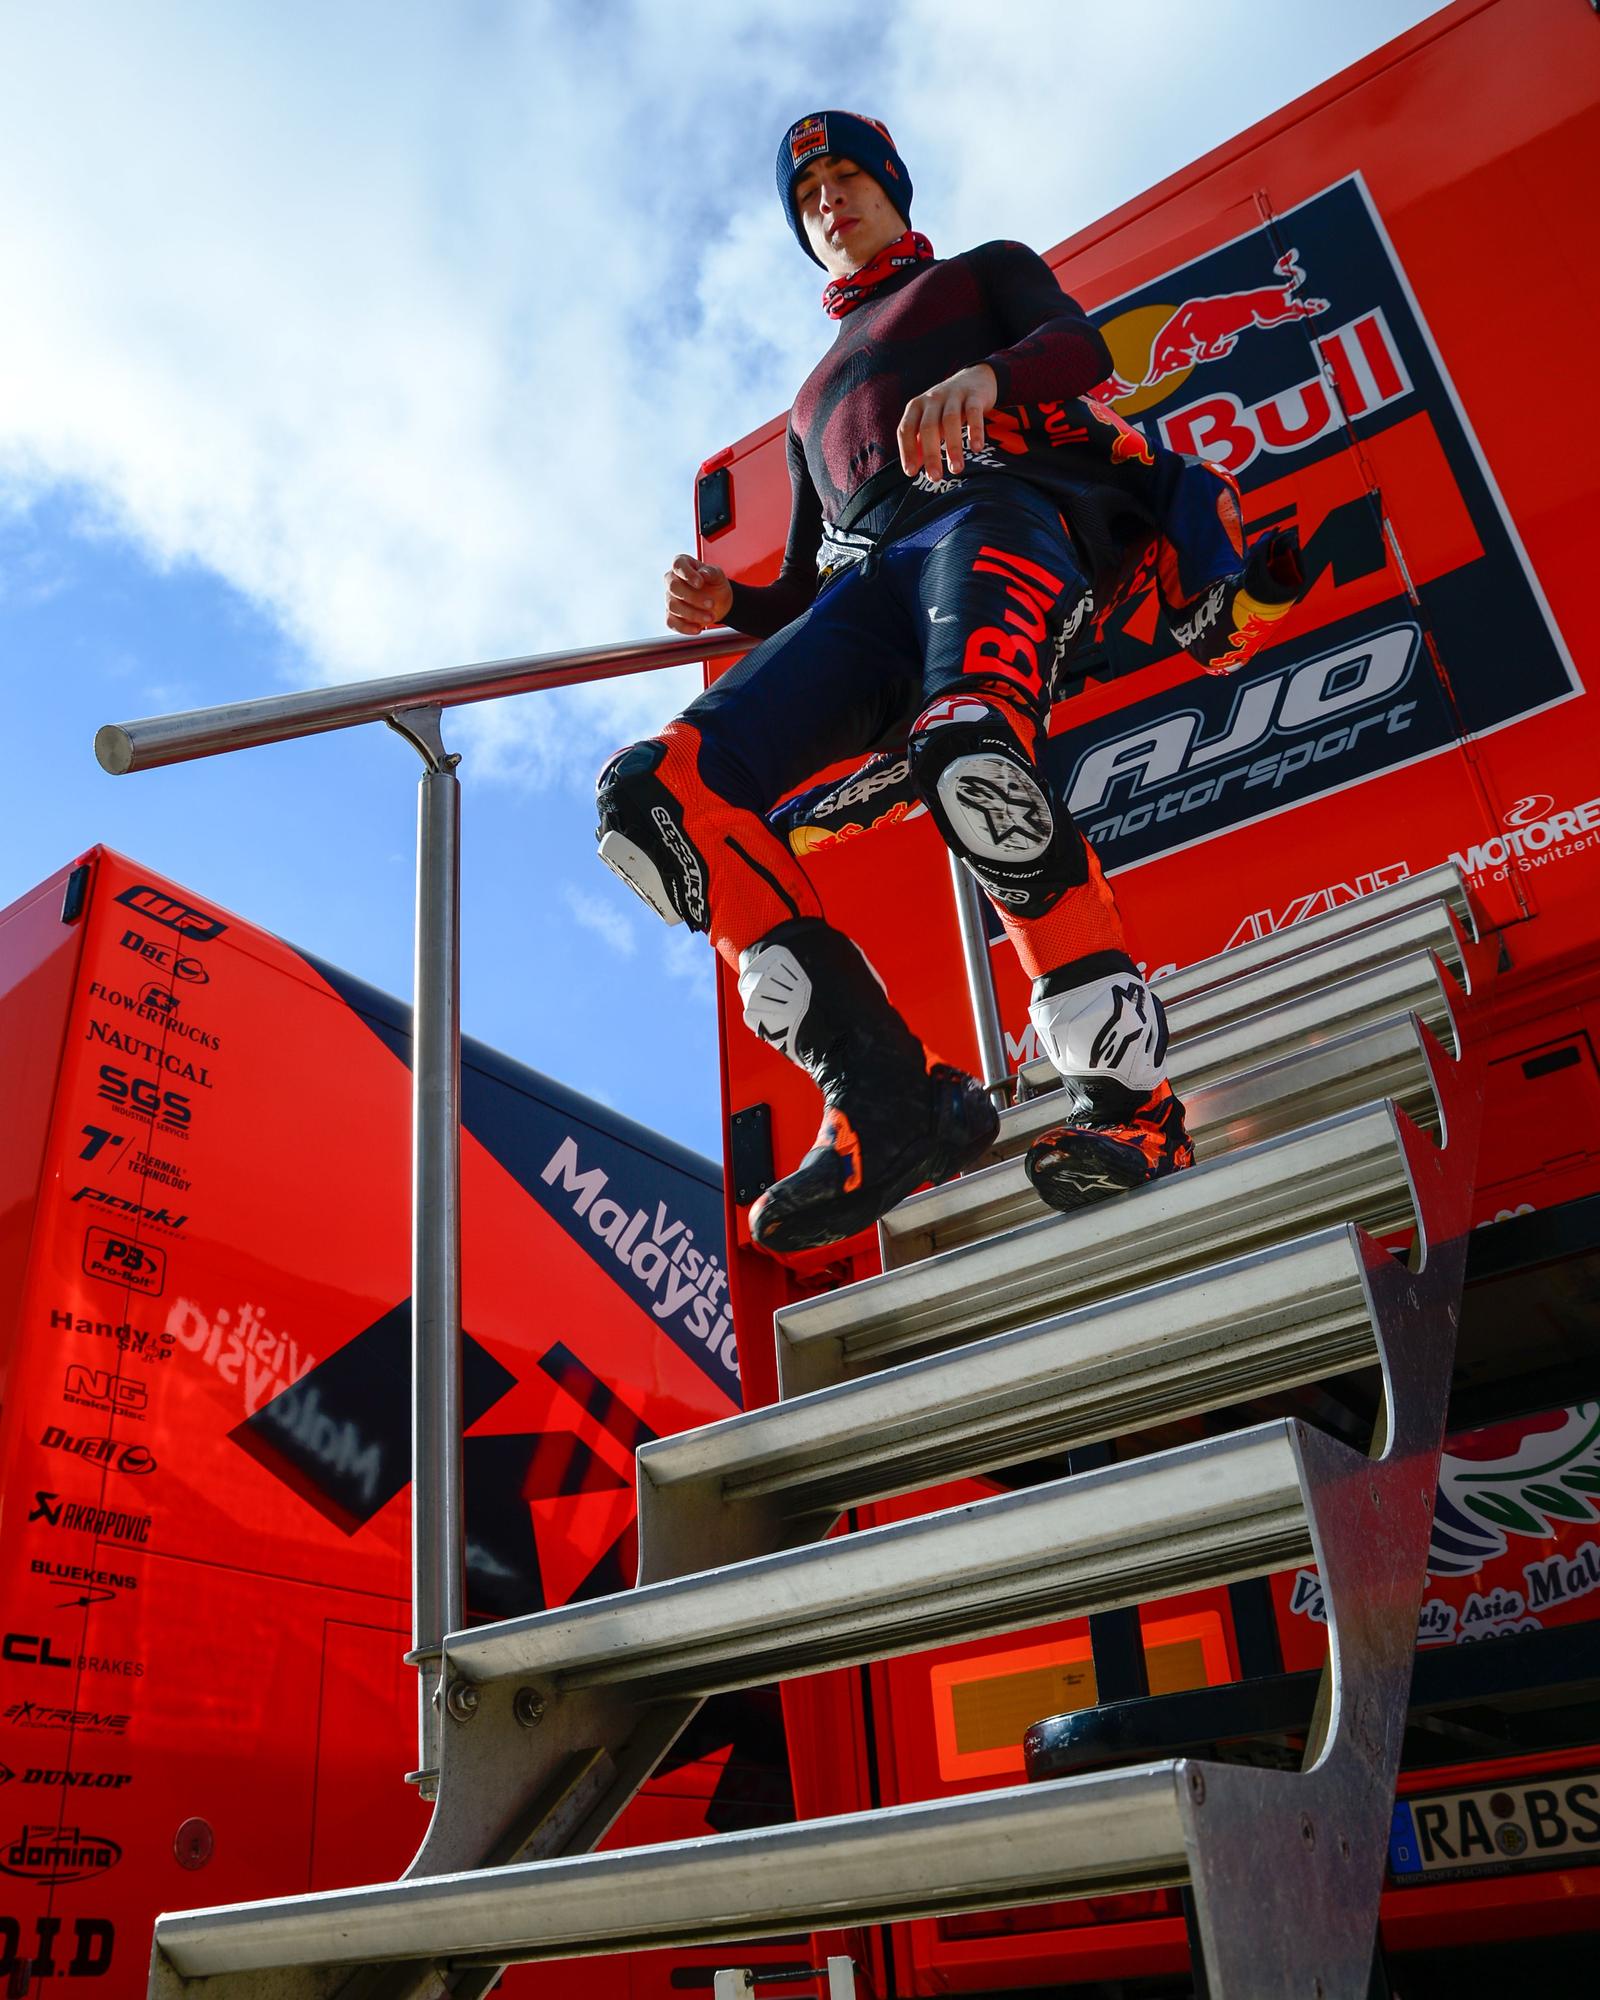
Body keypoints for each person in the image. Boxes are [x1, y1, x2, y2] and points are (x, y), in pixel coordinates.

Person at [596, 110, 1304, 1255]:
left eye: (848, 176)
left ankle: (1134, 1109)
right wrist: (737, 610)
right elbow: (805, 576)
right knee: (653, 795)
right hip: (868, 586)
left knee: (968, 750)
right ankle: (889, 1102)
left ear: (893, 189)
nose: (831, 197)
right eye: (809, 189)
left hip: (1001, 517)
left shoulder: (985, 272)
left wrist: (984, 373)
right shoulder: (809, 401)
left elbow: (1085, 351)